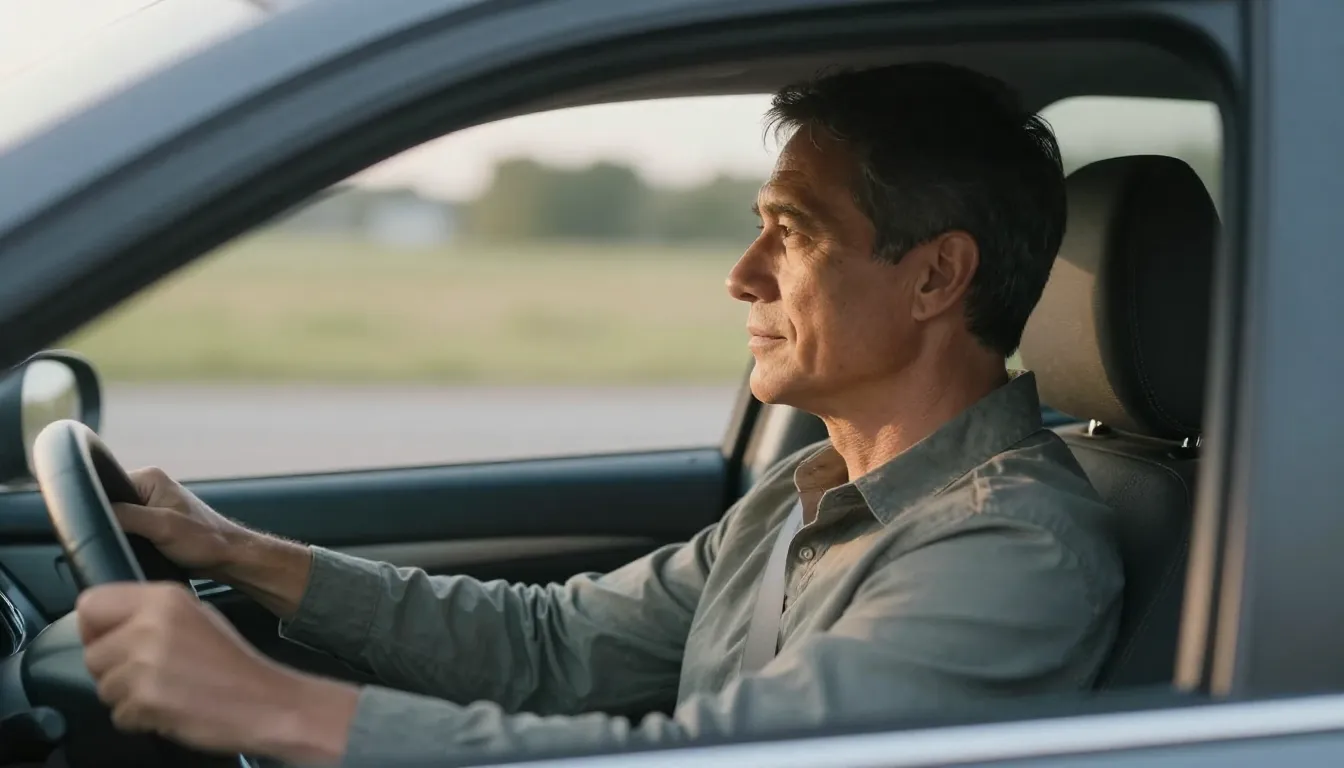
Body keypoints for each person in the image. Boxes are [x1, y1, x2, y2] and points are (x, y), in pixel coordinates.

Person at [75, 63, 1123, 767]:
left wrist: (270, 705)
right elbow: (554, 645)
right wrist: (236, 551)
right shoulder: (806, 493)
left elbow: (723, 763)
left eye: (794, 233)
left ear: (936, 277)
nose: (741, 274)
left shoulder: (1012, 549)